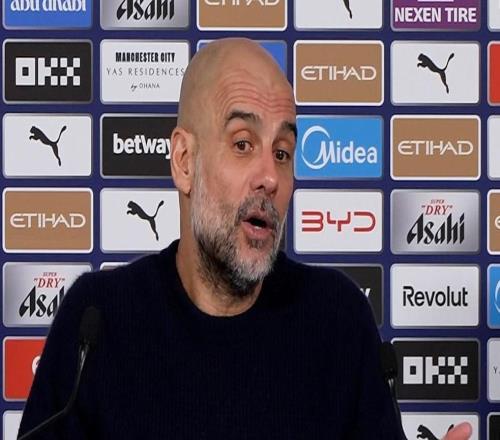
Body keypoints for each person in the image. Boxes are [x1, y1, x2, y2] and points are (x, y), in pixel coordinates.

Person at [18, 38, 472, 440]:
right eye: (242, 144)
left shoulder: (339, 320)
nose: (269, 177)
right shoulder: (97, 320)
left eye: (283, 153)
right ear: (184, 161)